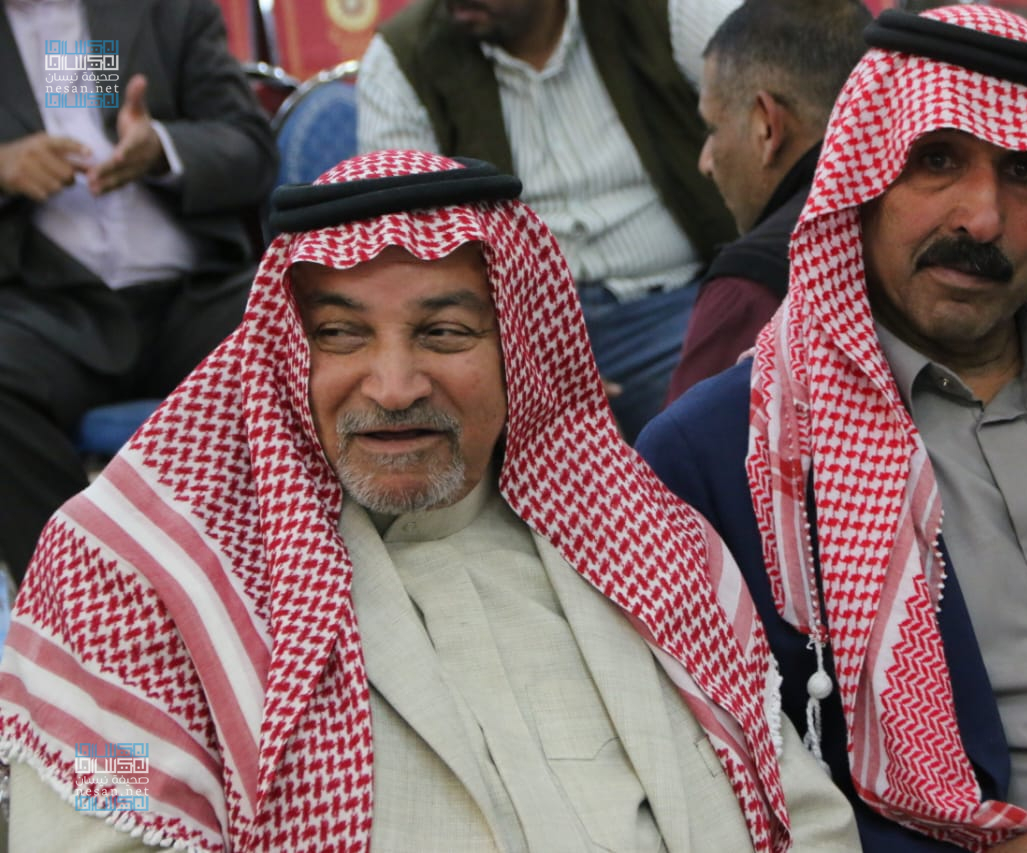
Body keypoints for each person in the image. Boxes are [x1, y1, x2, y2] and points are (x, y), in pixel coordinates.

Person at [0, 150, 859, 851]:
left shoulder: (649, 548)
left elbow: (800, 814)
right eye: (340, 334)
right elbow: (98, 808)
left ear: (518, 347)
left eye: (444, 332)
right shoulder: (138, 581)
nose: (394, 385)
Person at [638, 6, 1027, 852]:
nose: (981, 218)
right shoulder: (720, 456)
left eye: (1025, 171)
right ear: (864, 178)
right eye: (936, 160)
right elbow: (722, 772)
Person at [356, 0, 739, 440]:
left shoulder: (663, 9)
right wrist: (520, 360)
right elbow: (404, 249)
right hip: (508, 330)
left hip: (678, 308)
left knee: (719, 415)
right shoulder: (405, 53)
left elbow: (769, 110)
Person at [0, 0, 277, 583]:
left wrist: (164, 149)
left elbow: (252, 149)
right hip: (47, 309)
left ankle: (284, 575)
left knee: (304, 321)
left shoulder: (166, 10)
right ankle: (79, 600)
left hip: (191, 296)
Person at [666, 0, 869, 404]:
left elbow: (677, 444)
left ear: (766, 127)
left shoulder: (749, 289)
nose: (705, 162)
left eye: (712, 128)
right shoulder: (914, 220)